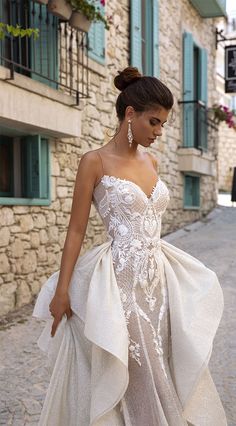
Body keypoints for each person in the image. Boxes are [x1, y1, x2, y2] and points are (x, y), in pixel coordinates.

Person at [33, 67, 227, 426]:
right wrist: (62, 291)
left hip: (159, 283)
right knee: (138, 368)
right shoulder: (95, 161)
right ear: (130, 114)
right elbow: (76, 230)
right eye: (154, 122)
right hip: (120, 279)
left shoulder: (151, 161)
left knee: (162, 362)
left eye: (163, 124)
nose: (159, 132)